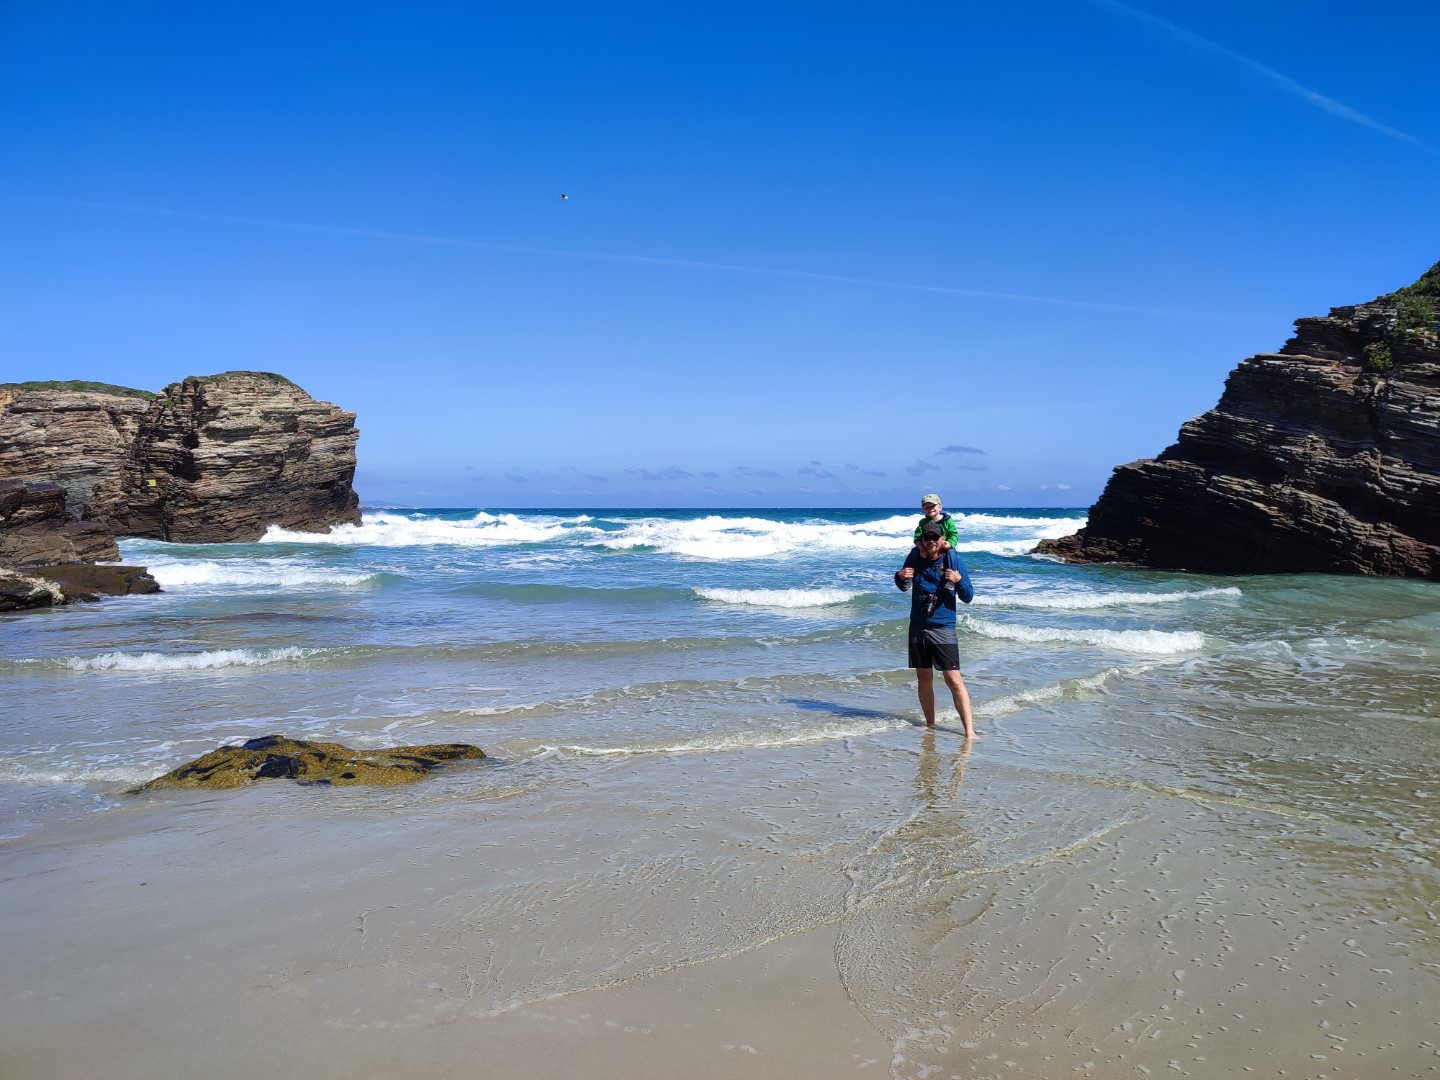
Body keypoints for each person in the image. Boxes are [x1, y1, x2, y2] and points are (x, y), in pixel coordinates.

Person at [895, 522, 976, 738]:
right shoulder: (915, 558)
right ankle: (930, 725)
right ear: (922, 540)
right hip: (918, 626)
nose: (931, 541)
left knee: (953, 680)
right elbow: (903, 584)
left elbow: (968, 596)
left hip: (943, 628)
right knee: (924, 678)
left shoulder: (953, 560)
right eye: (927, 538)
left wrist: (958, 582)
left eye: (935, 538)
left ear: (942, 540)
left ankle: (969, 732)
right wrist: (899, 577)